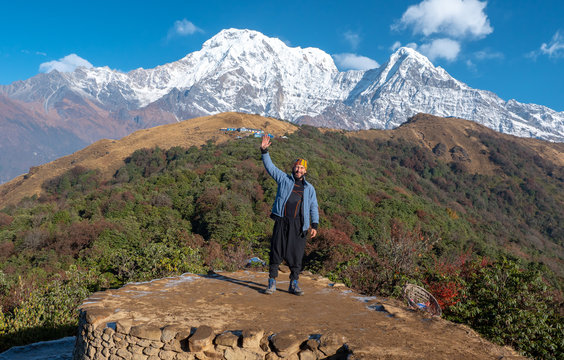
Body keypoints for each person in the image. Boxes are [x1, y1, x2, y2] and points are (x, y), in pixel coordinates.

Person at [260, 134, 319, 296]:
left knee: (297, 254)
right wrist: (264, 151)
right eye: (297, 167)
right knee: (276, 250)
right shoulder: (284, 179)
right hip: (282, 221)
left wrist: (314, 225)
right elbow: (270, 167)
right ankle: (272, 282)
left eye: (302, 168)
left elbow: (314, 206)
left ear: (305, 171)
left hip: (299, 224)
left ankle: (294, 284)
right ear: (293, 168)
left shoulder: (309, 188)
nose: (299, 170)